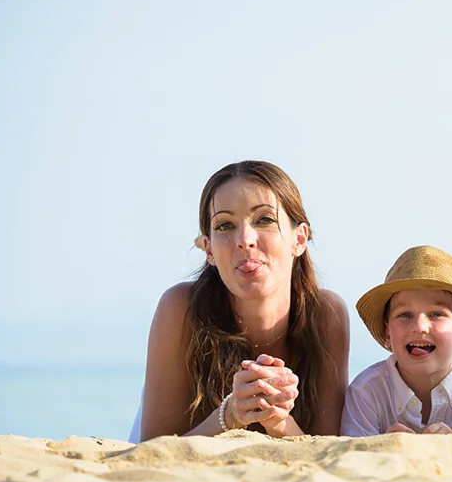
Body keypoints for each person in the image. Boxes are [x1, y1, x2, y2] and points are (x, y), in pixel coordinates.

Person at [137, 160, 350, 440]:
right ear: (209, 249)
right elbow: (151, 451)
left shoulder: (326, 314)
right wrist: (231, 414)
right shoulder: (180, 308)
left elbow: (328, 449)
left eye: (264, 219)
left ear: (299, 239)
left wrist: (277, 420)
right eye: (225, 225)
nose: (244, 239)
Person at [342, 246, 452, 441]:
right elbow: (350, 452)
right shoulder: (367, 391)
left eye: (436, 314)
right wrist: (380, 447)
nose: (419, 327)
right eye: (405, 315)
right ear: (387, 332)